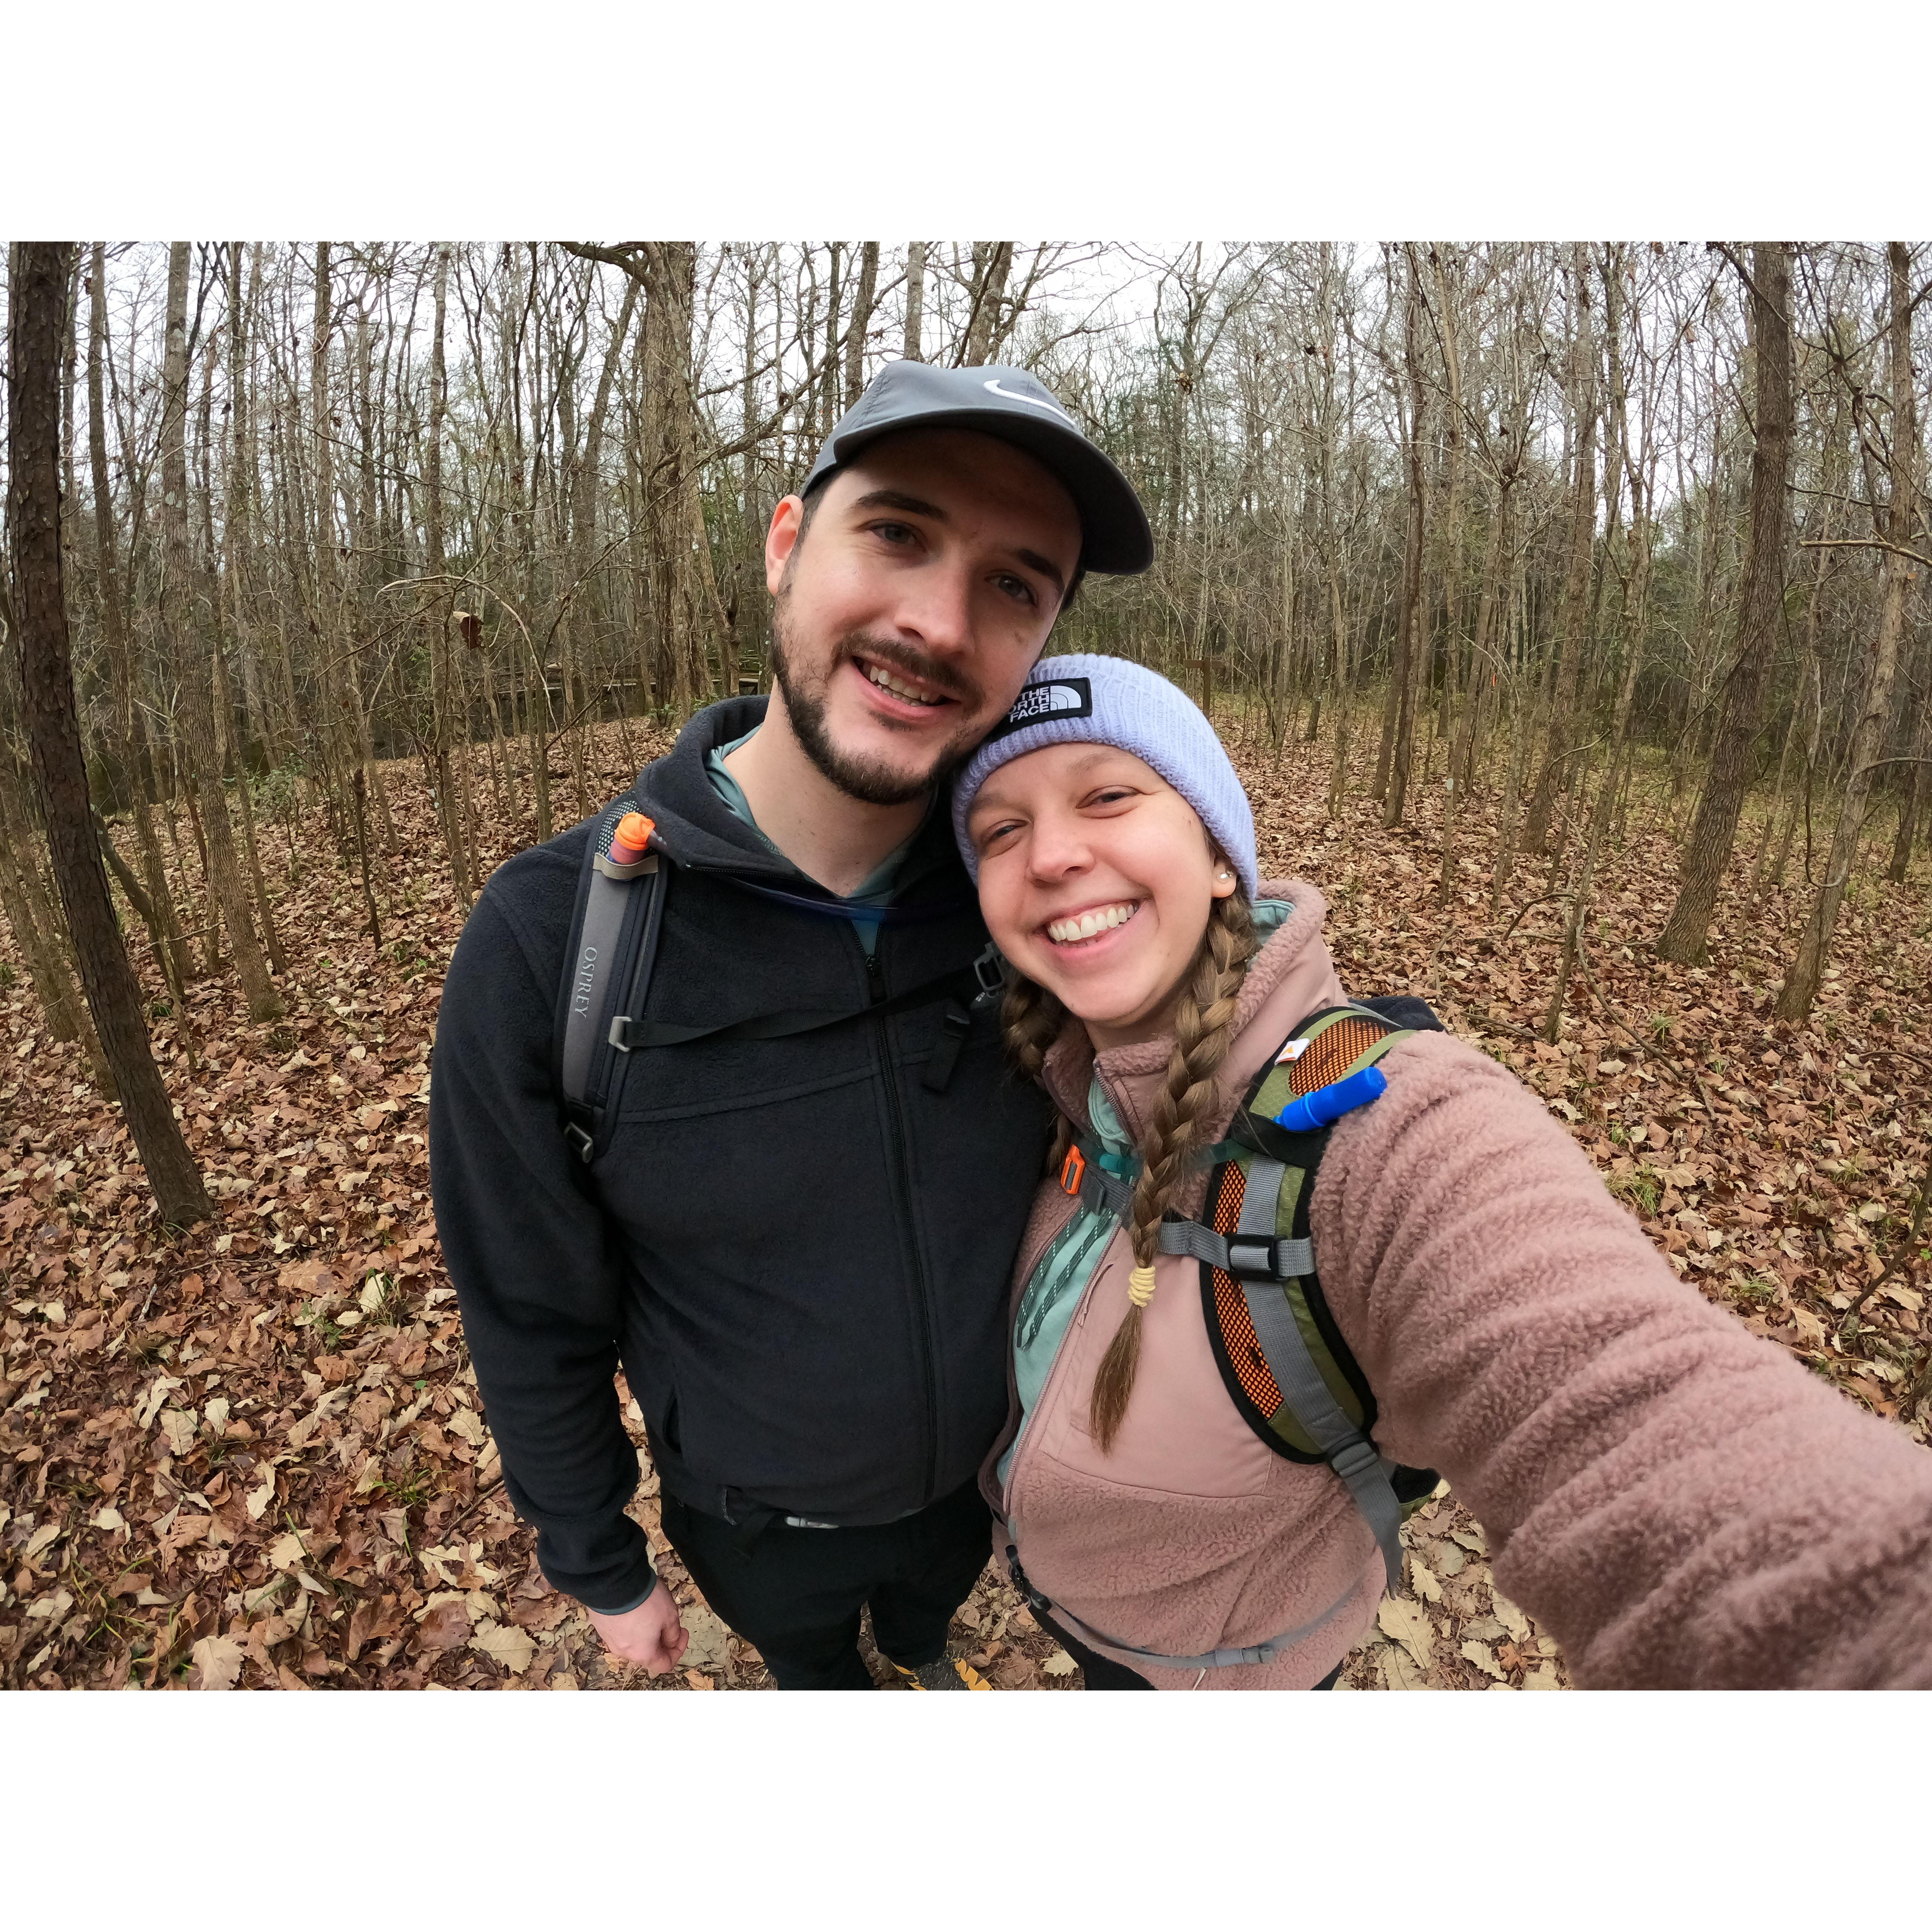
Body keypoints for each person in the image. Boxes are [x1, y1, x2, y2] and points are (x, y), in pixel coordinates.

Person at [953, 654, 1932, 1688]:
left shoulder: (1391, 1131)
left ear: (1219, 856)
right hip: (1064, 1609)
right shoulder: (1031, 1076)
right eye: (1000, 831)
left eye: (1108, 795)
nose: (1053, 854)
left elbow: (1638, 1431)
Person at [429, 363, 1154, 1689]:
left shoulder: (1037, 905)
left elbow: (1239, 997)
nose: (939, 620)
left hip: (987, 1489)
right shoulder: (554, 947)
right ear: (783, 545)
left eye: (1014, 584)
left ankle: (927, 1650)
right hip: (756, 1528)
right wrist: (596, 1556)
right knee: (819, 1673)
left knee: (926, 1629)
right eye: (897, 533)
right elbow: (528, 1311)